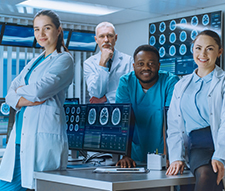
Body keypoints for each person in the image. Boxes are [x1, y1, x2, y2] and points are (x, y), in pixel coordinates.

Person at [166, 30, 225, 191]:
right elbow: (174, 125)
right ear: (192, 49)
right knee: (205, 175)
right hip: (198, 145)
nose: (203, 54)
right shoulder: (181, 85)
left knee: (209, 176)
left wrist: (220, 156)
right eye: (198, 48)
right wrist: (176, 158)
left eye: (210, 48)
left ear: (219, 52)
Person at [0, 10, 74, 190]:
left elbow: (39, 90)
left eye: (46, 28)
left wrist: (19, 93)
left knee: (37, 186)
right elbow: (9, 94)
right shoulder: (34, 61)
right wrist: (20, 99)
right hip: (19, 140)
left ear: (58, 30)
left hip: (41, 142)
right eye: (36, 29)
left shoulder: (64, 60)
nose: (40, 34)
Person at [115, 45, 179, 167]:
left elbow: (170, 120)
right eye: (141, 63)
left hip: (164, 149)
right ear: (134, 66)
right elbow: (124, 119)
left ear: (159, 66)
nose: (146, 68)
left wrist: (168, 156)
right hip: (135, 152)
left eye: (151, 64)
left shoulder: (170, 82)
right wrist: (125, 155)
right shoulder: (126, 82)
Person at [83, 22, 133, 104]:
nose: (106, 40)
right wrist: (102, 63)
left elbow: (130, 89)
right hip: (99, 112)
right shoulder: (89, 63)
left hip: (122, 109)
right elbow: (96, 93)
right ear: (96, 39)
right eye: (101, 36)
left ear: (115, 38)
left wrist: (106, 98)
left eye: (110, 36)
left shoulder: (128, 61)